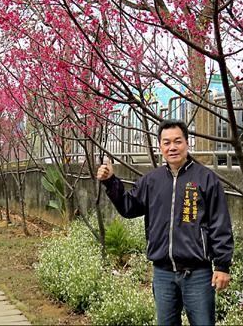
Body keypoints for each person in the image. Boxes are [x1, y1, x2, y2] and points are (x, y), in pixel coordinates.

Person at [97, 119, 234, 326]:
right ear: (160, 146)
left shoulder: (206, 179)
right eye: (166, 142)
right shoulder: (152, 180)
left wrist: (222, 265)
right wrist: (110, 181)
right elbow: (129, 207)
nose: (172, 147)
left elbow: (220, 223)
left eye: (177, 141)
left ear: (187, 143)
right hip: (163, 274)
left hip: (197, 274)